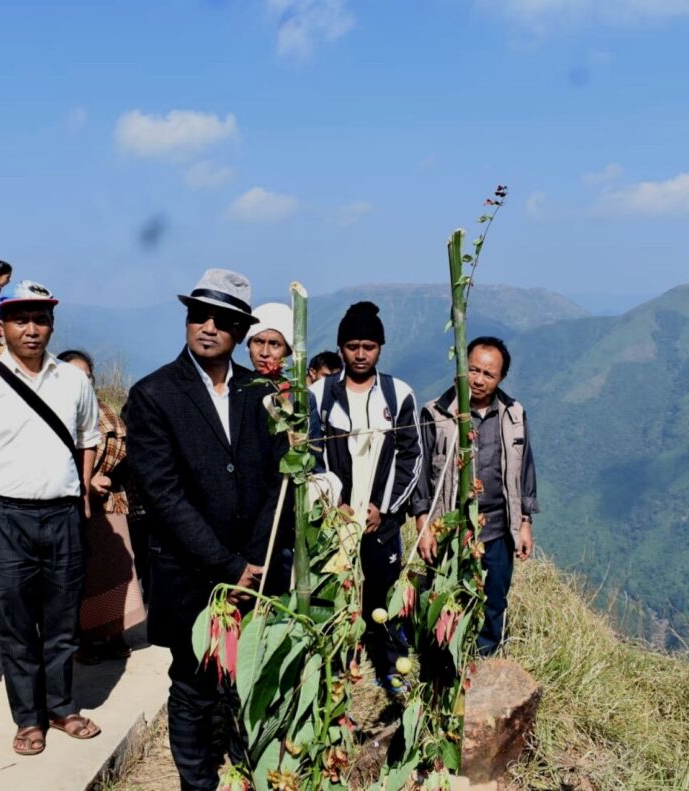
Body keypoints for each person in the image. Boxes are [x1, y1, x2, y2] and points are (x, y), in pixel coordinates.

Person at [125, 268, 287, 790]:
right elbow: (162, 495)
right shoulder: (154, 395)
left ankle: (247, 770)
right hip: (191, 572)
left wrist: (256, 558)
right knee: (194, 686)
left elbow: (278, 481)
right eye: (199, 315)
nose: (208, 327)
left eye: (223, 319)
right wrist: (227, 565)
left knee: (249, 677)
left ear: (240, 331)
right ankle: (198, 783)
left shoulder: (260, 391)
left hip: (256, 570)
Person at [0, 280, 102, 757]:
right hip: (5, 517)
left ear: (52, 325)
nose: (32, 329)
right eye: (21, 320)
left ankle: (61, 707)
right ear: (2, 327)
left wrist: (81, 492)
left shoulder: (73, 381)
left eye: (40, 319)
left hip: (62, 516)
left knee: (62, 622)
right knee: (15, 624)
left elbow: (89, 437)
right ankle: (29, 719)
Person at [308, 301, 422, 690]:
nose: (360, 354)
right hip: (333, 521)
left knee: (383, 596)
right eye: (352, 345)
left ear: (380, 348)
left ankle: (391, 668)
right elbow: (310, 454)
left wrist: (385, 508)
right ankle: (334, 672)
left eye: (369, 346)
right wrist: (331, 503)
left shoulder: (398, 394)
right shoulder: (321, 394)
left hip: (381, 523)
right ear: (340, 347)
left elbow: (411, 455)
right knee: (334, 596)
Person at [412, 336, 538, 655]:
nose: (479, 379)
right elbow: (422, 471)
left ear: (501, 378)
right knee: (446, 598)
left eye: (488, 374)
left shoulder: (513, 414)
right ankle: (442, 667)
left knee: (494, 600)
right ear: (461, 368)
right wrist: (424, 524)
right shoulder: (436, 413)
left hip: (497, 527)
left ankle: (485, 664)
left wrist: (525, 522)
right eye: (473, 370)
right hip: (450, 527)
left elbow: (525, 470)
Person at [56, 350, 145, 664]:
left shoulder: (106, 413)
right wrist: (85, 482)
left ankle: (115, 632)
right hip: (68, 508)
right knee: (82, 576)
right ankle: (84, 639)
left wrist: (103, 477)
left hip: (110, 503)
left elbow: (125, 455)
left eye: (86, 375)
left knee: (116, 571)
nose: (81, 381)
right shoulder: (53, 417)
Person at [245, 302, 292, 381]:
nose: (264, 353)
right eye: (259, 342)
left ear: (287, 351)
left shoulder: (298, 392)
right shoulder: (233, 389)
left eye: (274, 344)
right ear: (249, 346)